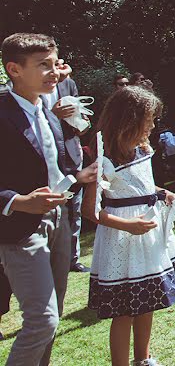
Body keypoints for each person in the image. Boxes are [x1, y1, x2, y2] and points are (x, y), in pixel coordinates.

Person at [0, 33, 98, 365]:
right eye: (43, 65)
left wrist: (78, 180)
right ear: (14, 69)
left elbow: (57, 168)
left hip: (60, 220)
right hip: (19, 229)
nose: (54, 72)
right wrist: (18, 201)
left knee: (51, 319)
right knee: (43, 321)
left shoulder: (50, 109)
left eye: (55, 63)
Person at [83, 86, 175, 366]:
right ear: (129, 119)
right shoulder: (104, 158)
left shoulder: (142, 148)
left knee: (147, 301)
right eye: (149, 119)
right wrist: (126, 225)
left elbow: (138, 184)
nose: (153, 125)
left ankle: (143, 358)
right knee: (124, 310)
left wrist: (160, 192)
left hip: (147, 234)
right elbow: (91, 210)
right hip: (122, 239)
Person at [44, 57, 89, 273]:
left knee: (75, 210)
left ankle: (72, 258)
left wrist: (82, 125)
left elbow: (80, 119)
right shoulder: (31, 90)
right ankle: (50, 258)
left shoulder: (68, 84)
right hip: (47, 161)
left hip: (72, 154)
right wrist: (53, 115)